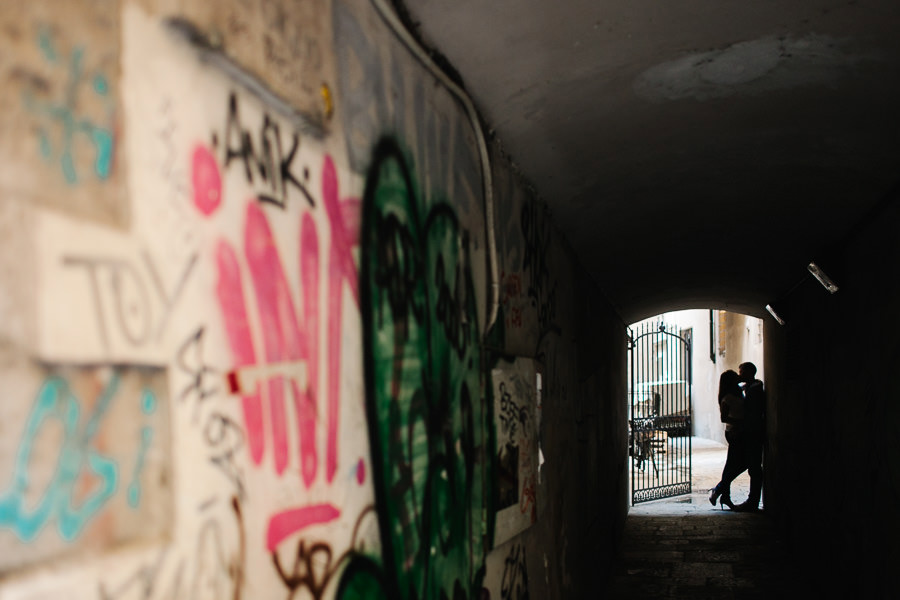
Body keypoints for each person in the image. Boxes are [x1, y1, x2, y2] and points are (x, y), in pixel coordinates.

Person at [732, 361, 765, 512]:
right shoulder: (753, 387)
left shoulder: (754, 390)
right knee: (753, 467)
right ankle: (753, 500)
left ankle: (753, 501)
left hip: (753, 432)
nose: (739, 375)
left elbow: (750, 412)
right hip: (754, 432)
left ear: (748, 373)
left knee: (754, 467)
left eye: (741, 372)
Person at [709, 370, 744, 509]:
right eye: (735, 377)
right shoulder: (727, 398)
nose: (738, 378)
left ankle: (723, 495)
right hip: (734, 433)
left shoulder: (738, 392)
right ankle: (719, 490)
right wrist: (740, 422)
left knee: (732, 465)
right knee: (740, 463)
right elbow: (724, 418)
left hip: (739, 432)